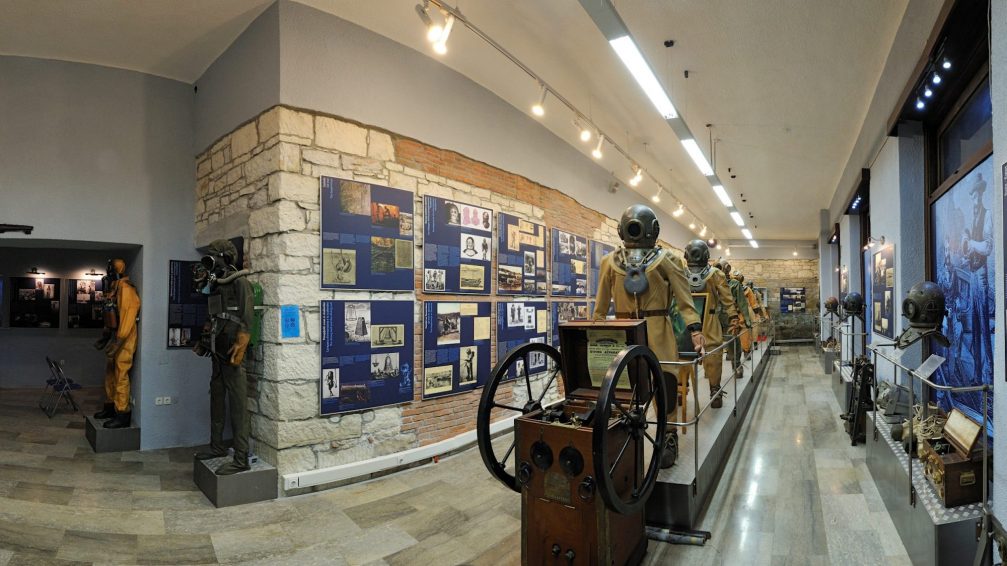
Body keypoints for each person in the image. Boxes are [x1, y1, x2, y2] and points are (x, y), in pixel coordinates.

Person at [593, 204, 703, 468]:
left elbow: (685, 300)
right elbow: (600, 303)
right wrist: (594, 329)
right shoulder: (610, 262)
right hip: (624, 331)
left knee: (664, 383)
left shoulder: (667, 260)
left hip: (658, 330)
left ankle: (669, 436)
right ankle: (624, 435)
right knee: (624, 386)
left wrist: (695, 330)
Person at [192, 239, 254, 475]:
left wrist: (241, 342)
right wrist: (203, 341)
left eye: (214, 256)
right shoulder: (216, 285)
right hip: (217, 352)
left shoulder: (240, 283)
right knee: (216, 400)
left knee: (238, 406)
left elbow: (247, 318)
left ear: (225, 257)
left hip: (231, 353)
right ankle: (217, 447)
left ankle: (241, 458)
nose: (211, 260)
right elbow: (213, 316)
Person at [681, 240, 740, 409]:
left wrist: (733, 317)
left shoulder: (714, 274)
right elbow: (728, 300)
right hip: (697, 320)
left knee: (711, 356)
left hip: (699, 320)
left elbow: (727, 299)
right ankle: (684, 390)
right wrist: (733, 317)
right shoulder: (711, 274)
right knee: (684, 355)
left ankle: (713, 390)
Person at [92, 258, 141, 429]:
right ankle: (110, 407)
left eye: (110, 269)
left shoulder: (126, 290)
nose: (108, 273)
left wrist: (118, 342)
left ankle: (122, 413)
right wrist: (105, 337)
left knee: (121, 375)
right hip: (115, 337)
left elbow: (127, 320)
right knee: (110, 374)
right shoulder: (115, 288)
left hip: (124, 340)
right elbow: (111, 315)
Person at [961, 173, 993, 374]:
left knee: (983, 324)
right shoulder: (972, 219)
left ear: (982, 194)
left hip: (981, 275)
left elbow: (987, 247)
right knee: (973, 324)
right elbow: (970, 247)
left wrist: (971, 243)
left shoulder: (987, 214)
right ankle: (978, 373)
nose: (977, 199)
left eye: (979, 195)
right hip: (972, 274)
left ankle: (989, 367)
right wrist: (967, 244)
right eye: (974, 195)